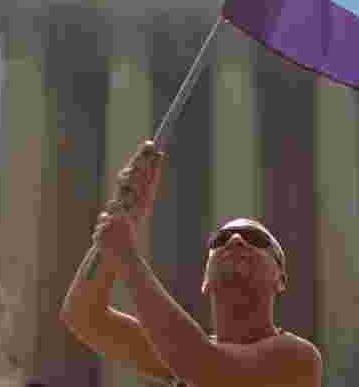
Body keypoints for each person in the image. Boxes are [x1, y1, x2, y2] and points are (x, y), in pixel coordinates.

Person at [60, 141, 322, 387]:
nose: (236, 240)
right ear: (205, 281)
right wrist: (129, 213)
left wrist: (127, 255)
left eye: (256, 239)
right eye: (220, 239)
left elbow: (206, 367)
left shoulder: (299, 357)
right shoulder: (178, 350)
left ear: (281, 279)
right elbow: (84, 315)